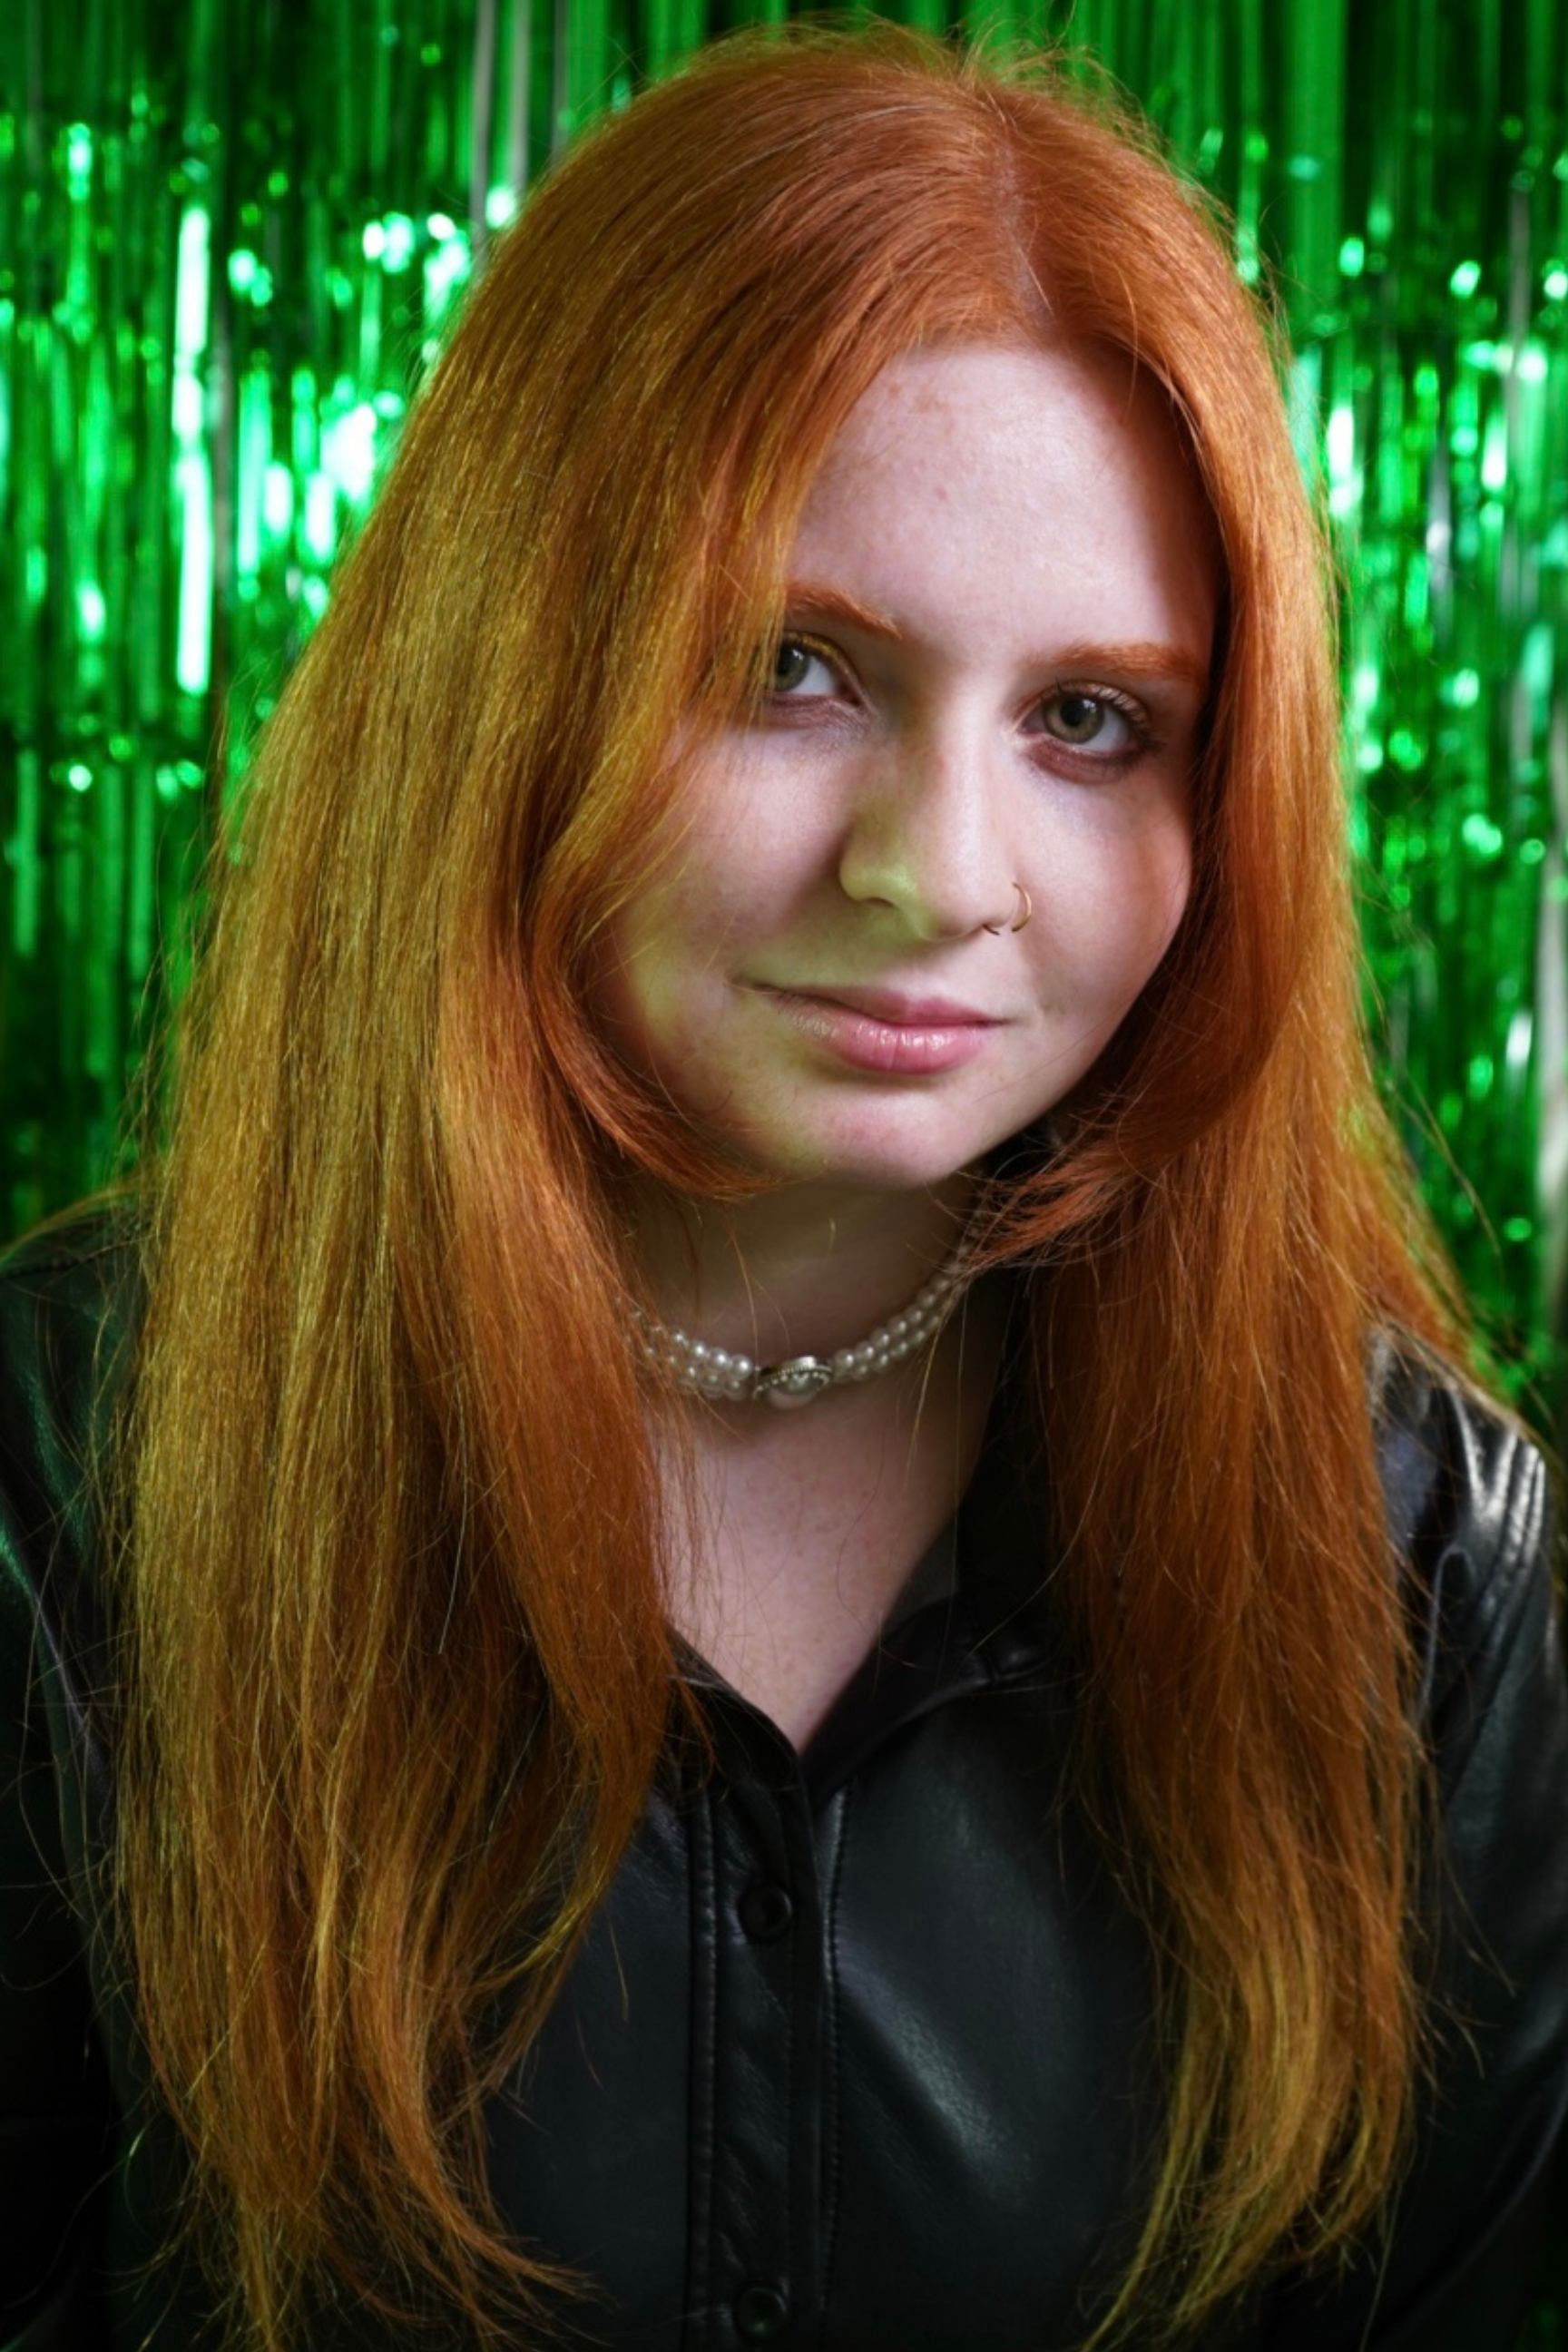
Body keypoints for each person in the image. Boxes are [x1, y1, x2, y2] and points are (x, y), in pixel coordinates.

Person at [3, 17, 1566, 2352]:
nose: (944, 874)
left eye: (1090, 720)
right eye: (794, 667)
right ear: (503, 668)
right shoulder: (56, 1465)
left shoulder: (1428, 1561)